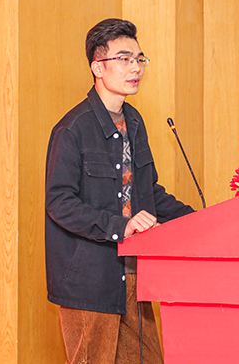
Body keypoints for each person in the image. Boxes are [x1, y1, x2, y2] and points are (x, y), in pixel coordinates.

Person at [45, 18, 195, 363]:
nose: (136, 68)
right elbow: (60, 202)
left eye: (139, 59)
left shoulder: (135, 122)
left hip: (135, 276)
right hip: (90, 281)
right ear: (98, 67)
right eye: (124, 59)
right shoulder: (72, 129)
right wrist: (120, 225)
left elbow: (148, 193)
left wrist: (198, 221)